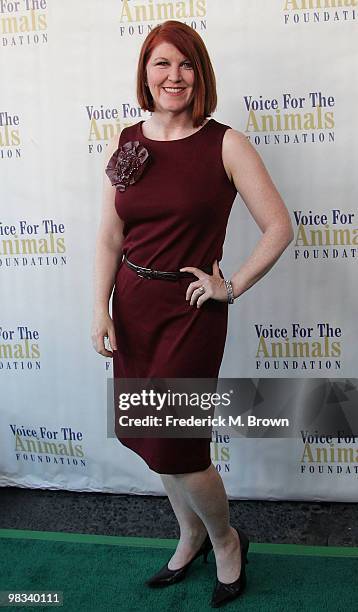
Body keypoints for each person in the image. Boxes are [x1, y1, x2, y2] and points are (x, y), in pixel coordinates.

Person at [91, 20, 293, 608]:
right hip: (132, 307)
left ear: (200, 74)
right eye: (162, 64)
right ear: (145, 73)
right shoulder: (127, 140)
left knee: (179, 443)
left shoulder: (224, 143)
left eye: (186, 64)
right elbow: (109, 236)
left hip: (189, 312)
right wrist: (99, 308)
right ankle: (190, 535)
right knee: (149, 437)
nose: (173, 75)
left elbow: (279, 227)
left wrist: (233, 285)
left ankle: (227, 540)